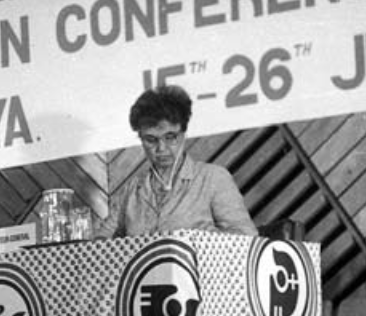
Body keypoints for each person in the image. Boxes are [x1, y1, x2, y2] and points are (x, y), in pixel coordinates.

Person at [94, 85, 257, 238]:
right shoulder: (132, 190)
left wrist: (199, 240)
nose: (161, 148)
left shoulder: (213, 178)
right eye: (151, 140)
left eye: (170, 137)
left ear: (183, 134)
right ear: (141, 139)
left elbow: (247, 237)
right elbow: (101, 241)